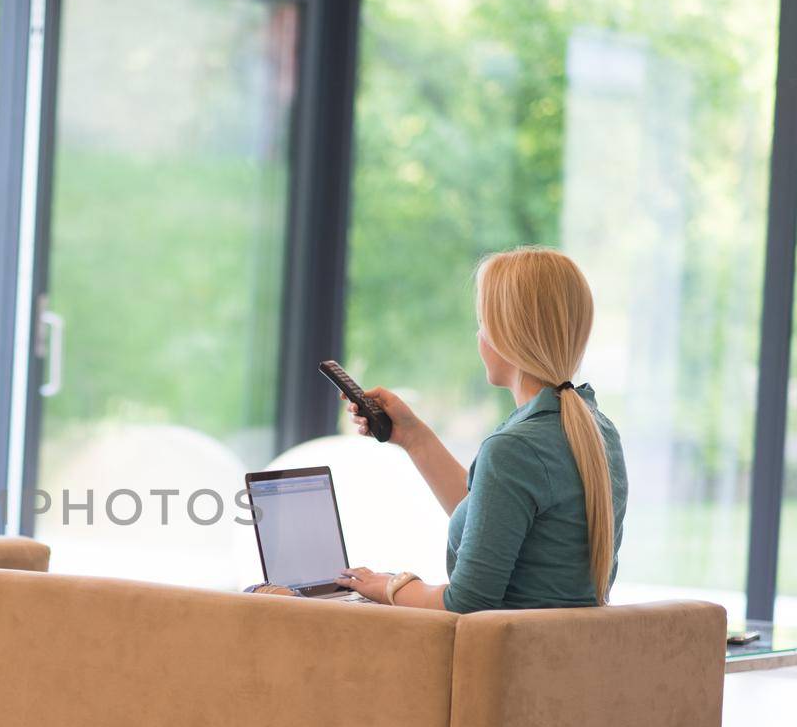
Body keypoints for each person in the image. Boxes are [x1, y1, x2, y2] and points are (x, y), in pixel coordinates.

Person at [266, 246, 627, 612]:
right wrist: (413, 437)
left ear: (506, 336)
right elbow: (495, 522)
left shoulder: (515, 448)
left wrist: (389, 586)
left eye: (482, 323)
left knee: (271, 600)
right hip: (556, 661)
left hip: (495, 663)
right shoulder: (598, 435)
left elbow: (466, 601)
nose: (479, 336)